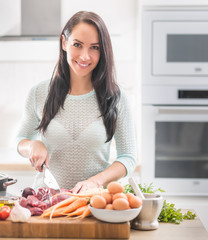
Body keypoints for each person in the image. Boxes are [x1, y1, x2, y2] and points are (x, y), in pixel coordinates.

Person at [16, 11, 137, 193]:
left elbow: (128, 158)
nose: (85, 56)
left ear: (103, 50)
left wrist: (95, 182)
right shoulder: (39, 93)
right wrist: (32, 145)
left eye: (94, 47)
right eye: (77, 45)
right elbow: (20, 140)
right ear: (64, 43)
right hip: (46, 203)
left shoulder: (116, 97)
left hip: (93, 203)